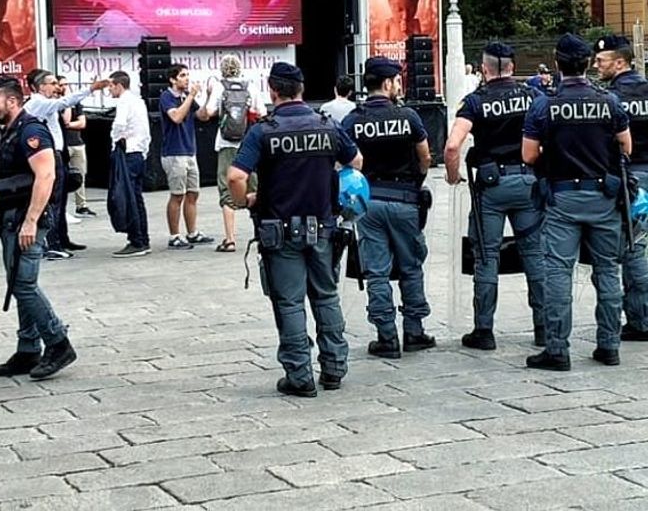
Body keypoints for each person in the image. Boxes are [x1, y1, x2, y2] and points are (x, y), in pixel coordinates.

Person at [226, 62, 360, 397]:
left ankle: (300, 376)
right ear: (301, 89)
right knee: (326, 296)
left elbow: (236, 176)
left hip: (280, 230)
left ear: (273, 90)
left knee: (289, 302)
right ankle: (334, 368)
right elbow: (356, 162)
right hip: (323, 227)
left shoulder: (263, 131)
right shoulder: (327, 125)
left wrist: (247, 201)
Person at [524, 33, 631, 371]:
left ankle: (557, 349)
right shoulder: (609, 101)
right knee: (608, 270)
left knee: (558, 272)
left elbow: (528, 155)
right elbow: (626, 147)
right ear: (587, 64)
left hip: (562, 198)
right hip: (603, 197)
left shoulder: (544, 104)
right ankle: (609, 345)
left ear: (557, 63)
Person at [444, 42, 546, 350]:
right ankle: (544, 328)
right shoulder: (533, 96)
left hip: (492, 187)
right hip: (528, 181)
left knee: (487, 256)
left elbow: (452, 146)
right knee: (535, 255)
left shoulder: (475, 101)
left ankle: (484, 331)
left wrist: (452, 175)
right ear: (512, 67)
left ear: (484, 69)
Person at [0, 77, 76, 380]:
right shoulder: (11, 132)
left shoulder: (31, 130)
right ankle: (28, 349)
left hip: (27, 218)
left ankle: (58, 343)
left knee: (24, 284)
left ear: (12, 101)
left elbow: (45, 176)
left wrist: (31, 221)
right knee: (18, 282)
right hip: (11, 218)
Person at [342, 56, 434, 359]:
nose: (399, 86)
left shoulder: (353, 120)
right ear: (386, 83)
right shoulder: (408, 116)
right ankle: (414, 331)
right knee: (411, 266)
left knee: (377, 271)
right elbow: (425, 156)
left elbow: (344, 162)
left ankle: (386, 337)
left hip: (369, 202)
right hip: (405, 199)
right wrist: (416, 182)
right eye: (396, 81)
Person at [594, 34, 648, 342]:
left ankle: (641, 320)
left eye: (601, 61)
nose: (596, 66)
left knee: (633, 246)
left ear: (619, 63)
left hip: (630, 180)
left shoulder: (610, 98)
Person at [25, 70, 109, 259]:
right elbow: (64, 103)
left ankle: (61, 238)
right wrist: (90, 89)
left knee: (60, 199)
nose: (57, 87)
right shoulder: (38, 103)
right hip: (49, 155)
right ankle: (52, 243)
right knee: (53, 200)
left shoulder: (46, 103)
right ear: (41, 87)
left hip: (58, 154)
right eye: (53, 83)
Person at [202, 55, 265, 253]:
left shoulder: (219, 87)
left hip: (226, 143)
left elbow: (208, 112)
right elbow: (262, 112)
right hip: (249, 143)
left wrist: (209, 96)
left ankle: (230, 240)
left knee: (226, 189)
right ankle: (261, 234)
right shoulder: (251, 86)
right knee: (255, 189)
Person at [159, 63, 216, 250]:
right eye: (182, 75)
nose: (186, 79)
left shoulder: (186, 97)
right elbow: (176, 117)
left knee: (193, 193)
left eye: (187, 75)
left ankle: (192, 233)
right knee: (177, 195)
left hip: (190, 151)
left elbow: (203, 116)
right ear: (172, 79)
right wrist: (191, 96)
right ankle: (174, 235)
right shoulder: (167, 97)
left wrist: (208, 97)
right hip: (174, 152)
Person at [109, 70, 152, 257]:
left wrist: (115, 139)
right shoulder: (139, 101)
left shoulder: (124, 102)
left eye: (111, 86)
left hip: (128, 152)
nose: (109, 90)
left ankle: (136, 239)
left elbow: (119, 124)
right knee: (136, 196)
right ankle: (143, 238)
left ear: (119, 85)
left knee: (127, 197)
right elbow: (146, 131)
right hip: (139, 153)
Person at [60, 78, 96, 219]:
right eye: (61, 85)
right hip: (64, 145)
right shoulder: (58, 104)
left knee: (80, 175)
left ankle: (82, 205)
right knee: (62, 176)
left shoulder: (77, 103)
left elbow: (82, 123)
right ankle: (62, 207)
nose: (64, 87)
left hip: (77, 143)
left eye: (66, 84)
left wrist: (69, 125)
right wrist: (67, 103)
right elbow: (66, 119)